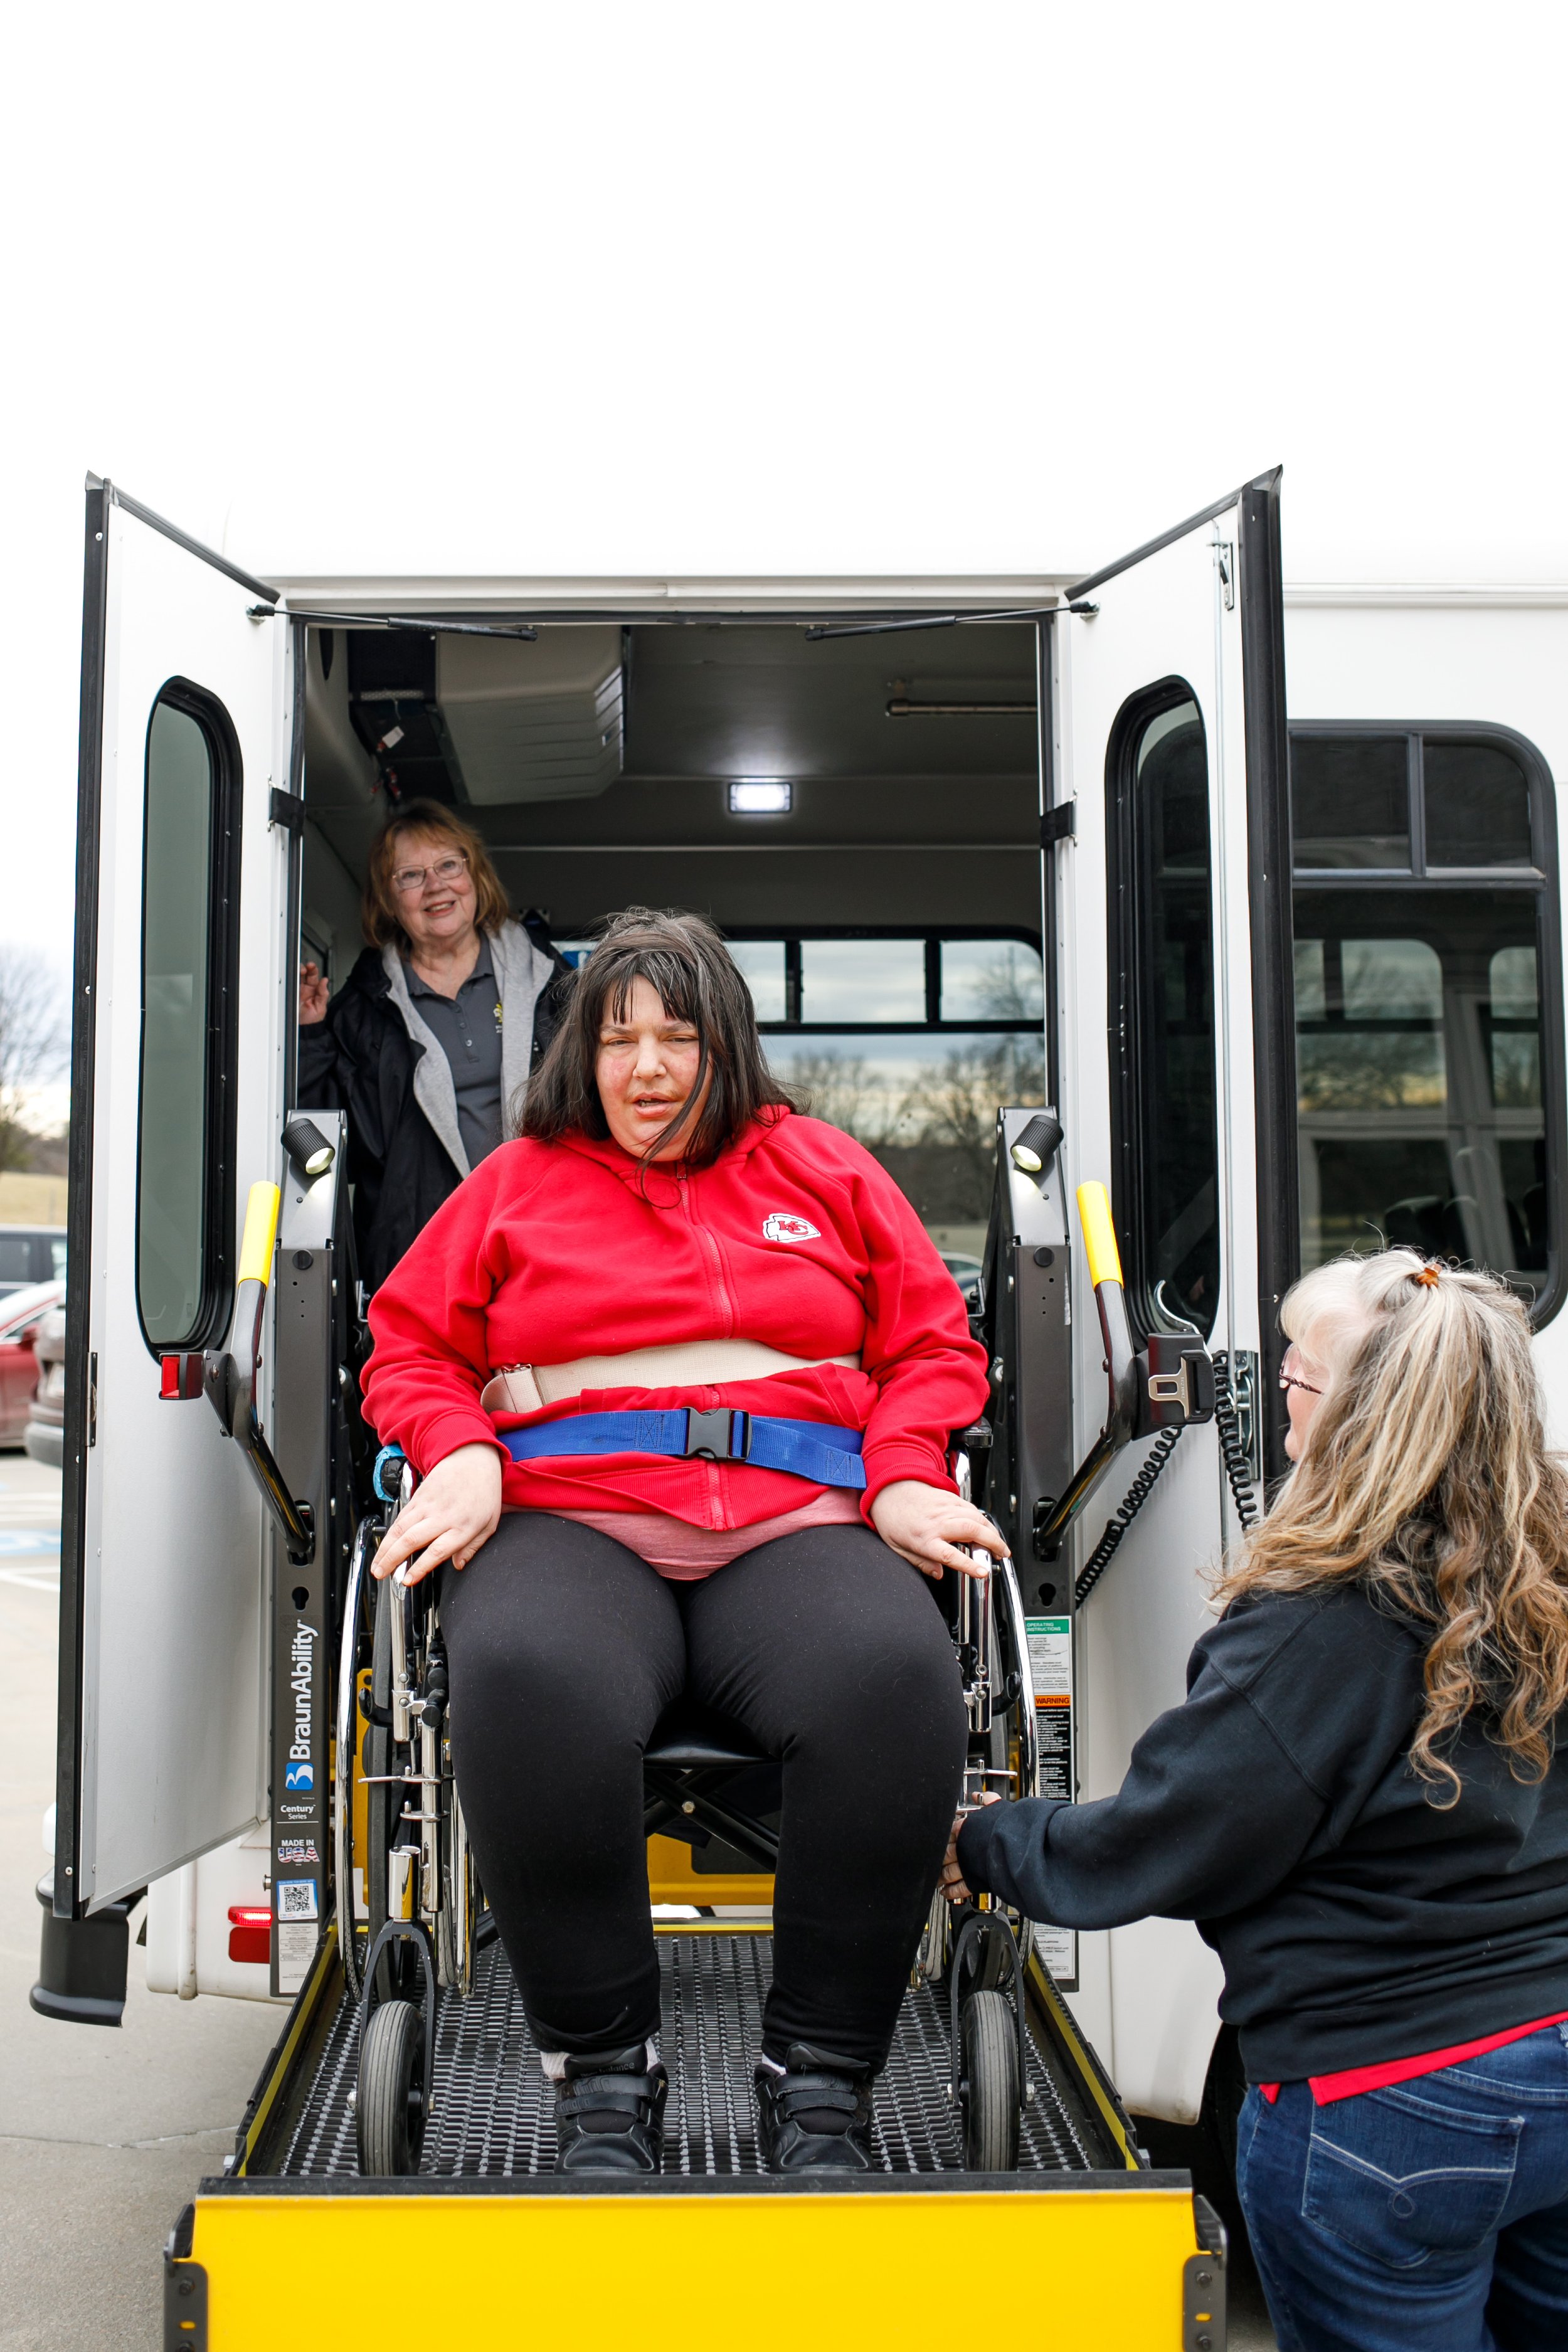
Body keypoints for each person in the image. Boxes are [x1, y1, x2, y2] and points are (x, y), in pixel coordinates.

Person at [361, 908, 999, 2176]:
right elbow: (410, 1346)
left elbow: (930, 1346)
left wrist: (904, 1471)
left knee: (890, 1679)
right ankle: (604, 2078)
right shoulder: (517, 1183)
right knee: (526, 1677)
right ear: (581, 1055)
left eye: (675, 1035)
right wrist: (461, 1450)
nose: (645, 1068)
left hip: (795, 1522)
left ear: (724, 1043)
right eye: (618, 1039)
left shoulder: (820, 1167)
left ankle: (817, 2085)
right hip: (572, 1522)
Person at [944, 1251, 1568, 2352]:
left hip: (1392, 2094)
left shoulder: (1321, 1620)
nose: (1275, 1386)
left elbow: (1179, 1836)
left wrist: (993, 1843)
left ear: (1372, 1417)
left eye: (1298, 1373)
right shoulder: (1545, 1570)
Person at [298, 800, 569, 1292]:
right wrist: (313, 1034)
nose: (436, 885)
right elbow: (328, 1145)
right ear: (388, 898)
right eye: (410, 876)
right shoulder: (360, 1010)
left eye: (448, 865)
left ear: (474, 875)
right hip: (418, 1253)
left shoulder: (555, 987)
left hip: (543, 1238)